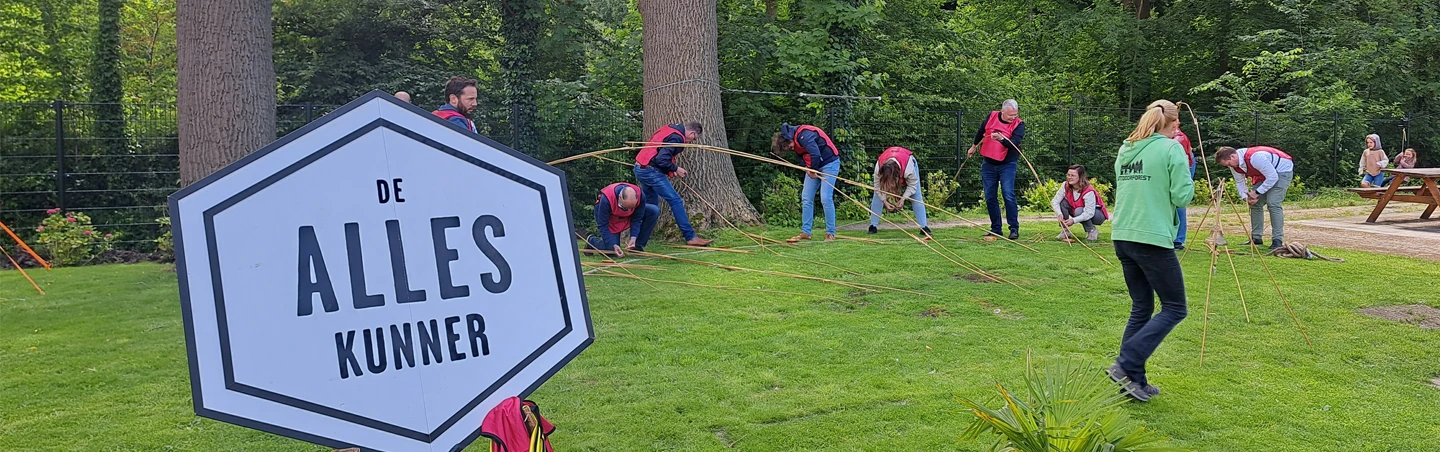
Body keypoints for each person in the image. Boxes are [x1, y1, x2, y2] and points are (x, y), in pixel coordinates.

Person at [1106, 99, 1194, 402]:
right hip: (1151, 236)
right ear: (1173, 124)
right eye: (1178, 124)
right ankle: (1126, 363)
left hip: (1123, 234)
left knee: (1142, 307)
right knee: (1175, 307)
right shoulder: (1172, 149)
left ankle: (1134, 381)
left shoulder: (1126, 148)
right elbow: (1182, 196)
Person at [633, 122, 714, 247]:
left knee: (652, 208)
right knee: (675, 201)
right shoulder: (677, 138)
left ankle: (637, 242)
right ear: (692, 133)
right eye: (694, 138)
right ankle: (691, 237)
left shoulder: (670, 128)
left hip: (640, 168)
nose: (692, 142)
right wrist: (675, 168)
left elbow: (657, 154)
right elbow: (661, 159)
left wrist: (670, 170)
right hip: (650, 171)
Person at [966, 99, 1026, 240]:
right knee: (990, 196)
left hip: (1008, 164)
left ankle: (1014, 229)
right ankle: (996, 229)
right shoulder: (992, 116)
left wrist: (1001, 139)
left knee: (1008, 194)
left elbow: (1015, 143)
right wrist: (974, 146)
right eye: (1010, 115)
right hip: (988, 163)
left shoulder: (1019, 124)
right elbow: (981, 131)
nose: (1013, 117)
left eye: (1015, 114)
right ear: (1002, 111)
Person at [1215, 144, 1294, 250]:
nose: (1229, 166)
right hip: (1263, 175)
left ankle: (1277, 240)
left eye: (1228, 163)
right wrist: (1246, 197)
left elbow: (1273, 177)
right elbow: (1240, 182)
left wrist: (1256, 192)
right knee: (1255, 203)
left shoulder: (1255, 158)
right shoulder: (1234, 165)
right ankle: (1256, 238)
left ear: (1233, 156)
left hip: (1282, 171)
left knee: (1273, 203)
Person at [774, 123, 842, 242]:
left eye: (789, 147)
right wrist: (806, 167)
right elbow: (803, 156)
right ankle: (806, 232)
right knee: (806, 198)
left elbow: (815, 154)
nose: (791, 149)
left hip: (829, 164)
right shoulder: (795, 141)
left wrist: (812, 170)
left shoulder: (804, 135)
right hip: (813, 166)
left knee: (825, 198)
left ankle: (830, 233)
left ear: (789, 139)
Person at [868, 146, 931, 238]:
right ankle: (873, 226)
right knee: (877, 195)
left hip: (907, 162)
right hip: (894, 165)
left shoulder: (908, 168)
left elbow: (912, 186)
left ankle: (924, 227)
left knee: (916, 195)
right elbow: (877, 187)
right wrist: (884, 201)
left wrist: (903, 199)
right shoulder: (879, 168)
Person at [584, 182, 659, 258]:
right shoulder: (607, 199)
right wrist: (613, 244)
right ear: (620, 197)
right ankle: (592, 241)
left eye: (632, 207)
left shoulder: (641, 195)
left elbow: (637, 218)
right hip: (611, 219)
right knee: (612, 252)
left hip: (625, 217)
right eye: (626, 207)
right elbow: (603, 225)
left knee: (653, 211)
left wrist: (633, 238)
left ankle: (636, 246)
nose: (628, 210)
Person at [1051, 164, 1109, 241]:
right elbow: (1055, 201)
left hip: (1096, 215)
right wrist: (1059, 214)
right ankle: (1065, 230)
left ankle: (1092, 231)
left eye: (1073, 175)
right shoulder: (1065, 185)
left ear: (1080, 176)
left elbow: (1089, 213)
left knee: (1079, 211)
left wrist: (1073, 220)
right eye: (1068, 175)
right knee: (1062, 203)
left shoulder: (1088, 191)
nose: (1069, 177)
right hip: (1077, 210)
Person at [1171, 128, 1195, 249]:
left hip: (1184, 165)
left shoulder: (1178, 139)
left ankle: (1178, 240)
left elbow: (1184, 163)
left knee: (1179, 201)